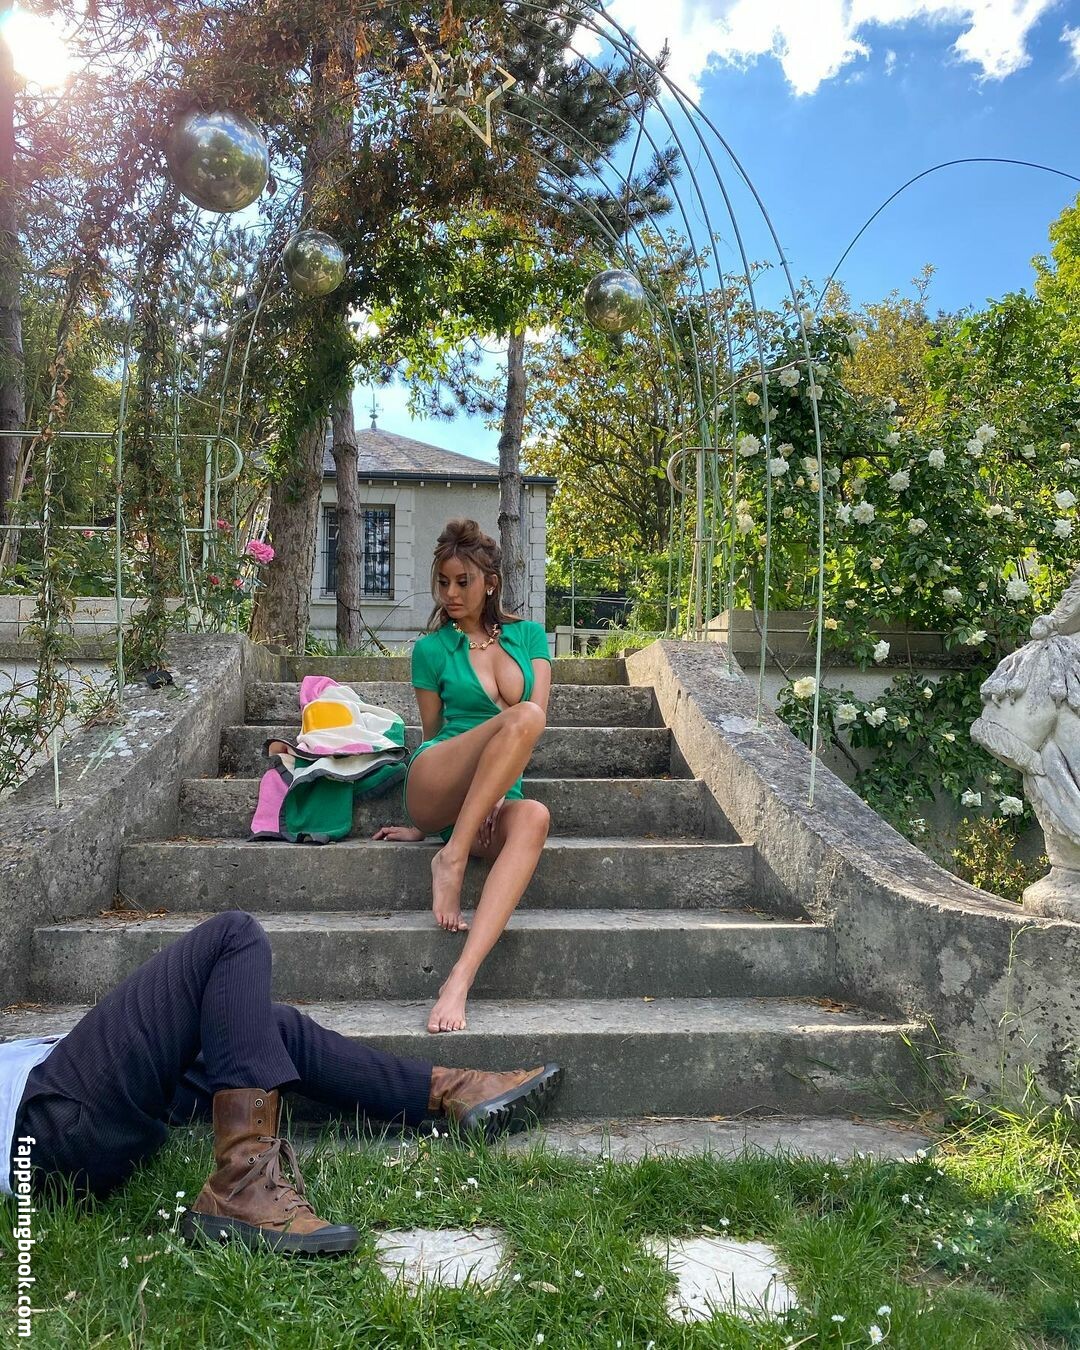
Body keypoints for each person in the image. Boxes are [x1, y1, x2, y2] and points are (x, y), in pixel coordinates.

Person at [1, 911, 563, 1256]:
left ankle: (449, 1091)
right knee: (232, 936)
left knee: (271, 1026)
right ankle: (242, 1183)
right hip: (43, 1121)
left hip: (63, 1119)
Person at [373, 519, 552, 1034]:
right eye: (443, 582)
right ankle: (449, 857)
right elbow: (432, 735)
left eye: (463, 582)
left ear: (490, 583)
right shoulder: (431, 650)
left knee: (535, 815)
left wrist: (495, 790)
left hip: (497, 795)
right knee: (525, 715)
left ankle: (460, 978)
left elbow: (531, 730)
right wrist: (422, 825)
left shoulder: (528, 637)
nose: (450, 593)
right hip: (439, 780)